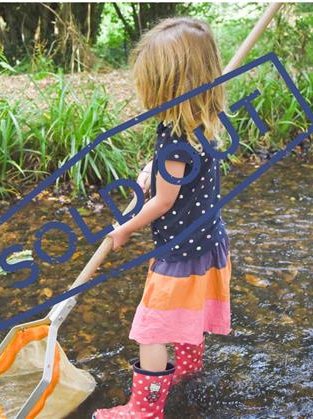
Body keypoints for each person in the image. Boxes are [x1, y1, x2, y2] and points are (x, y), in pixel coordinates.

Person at [93, 16, 232, 419]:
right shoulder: (207, 118)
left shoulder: (174, 138)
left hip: (180, 252)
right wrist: (153, 168)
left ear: (168, 86)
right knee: (188, 316)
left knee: (151, 329)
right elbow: (178, 168)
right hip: (209, 243)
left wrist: (123, 229)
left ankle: (144, 409)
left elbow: (163, 202)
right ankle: (188, 371)